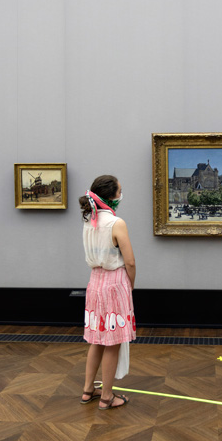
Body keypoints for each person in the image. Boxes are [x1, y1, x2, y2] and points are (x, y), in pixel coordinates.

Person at [78, 175, 136, 409]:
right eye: (120, 191)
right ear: (112, 196)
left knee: (96, 340)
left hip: (94, 282)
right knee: (113, 341)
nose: (122, 195)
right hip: (114, 283)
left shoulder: (89, 221)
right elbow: (130, 261)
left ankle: (88, 390)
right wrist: (130, 284)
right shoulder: (116, 223)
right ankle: (107, 397)